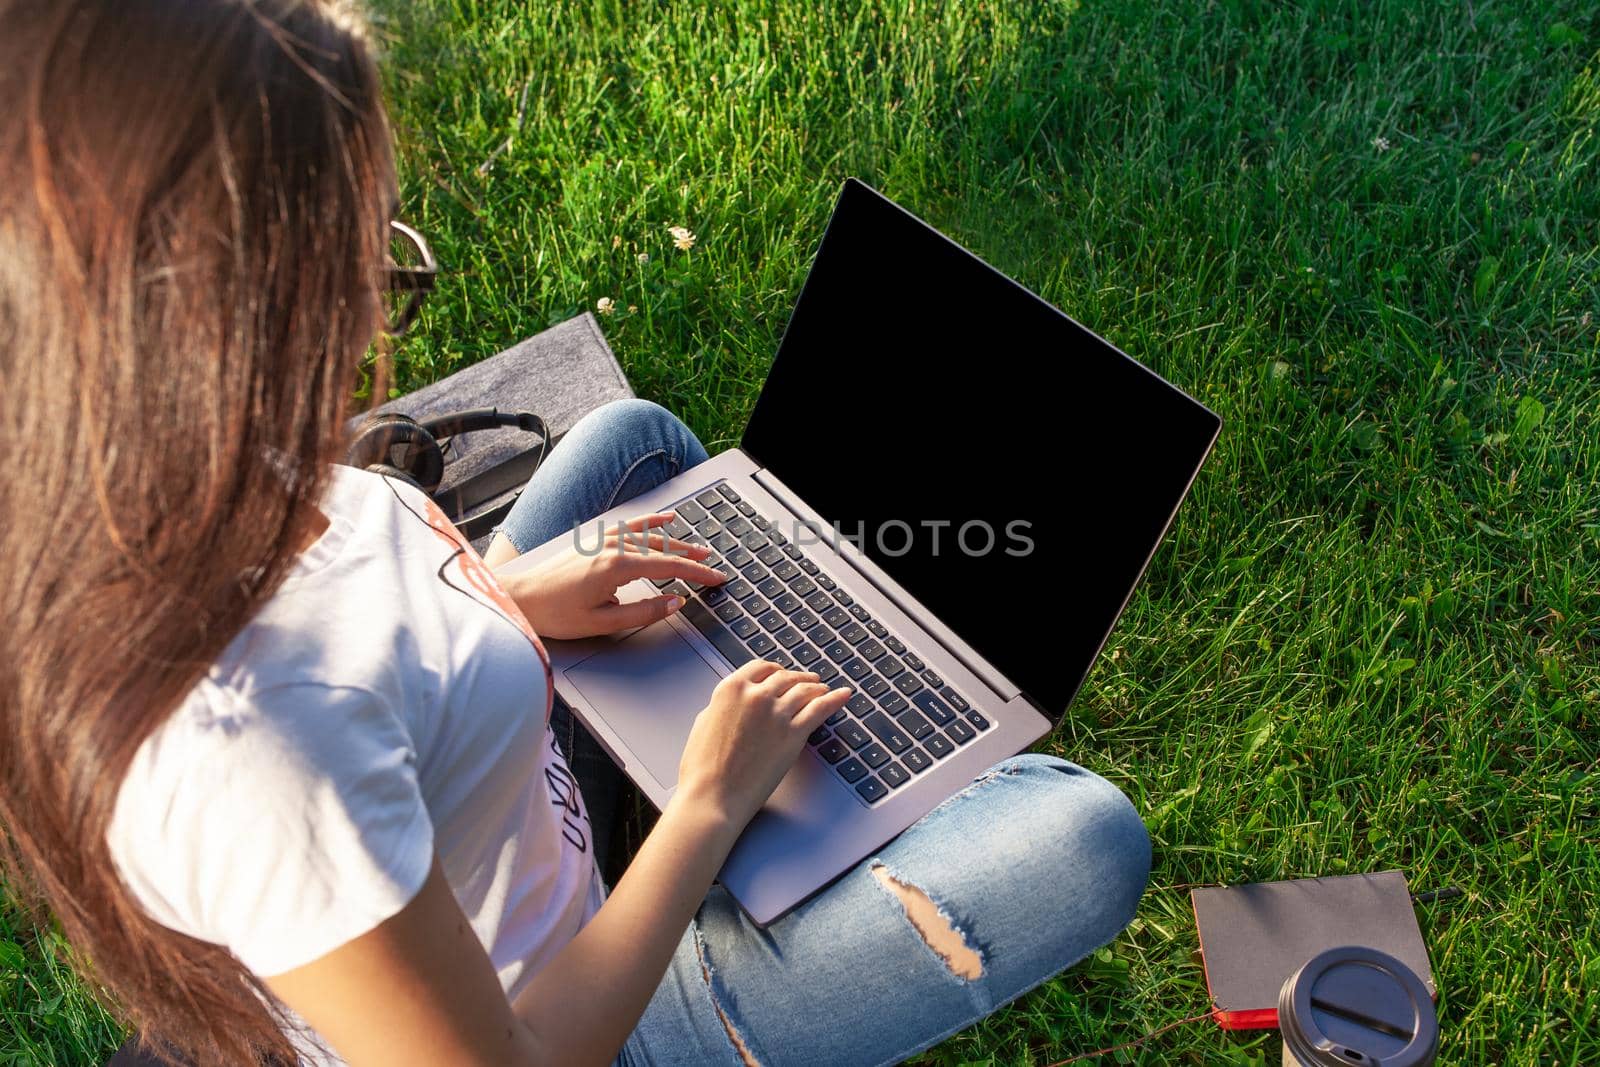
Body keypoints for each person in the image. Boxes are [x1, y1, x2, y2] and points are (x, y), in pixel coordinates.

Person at [0, 2, 1151, 1065]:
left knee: (630, 439)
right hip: (571, 1004)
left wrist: (507, 605)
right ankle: (763, 852)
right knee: (1080, 837)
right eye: (357, 262)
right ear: (202, 320)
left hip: (491, 813)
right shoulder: (253, 755)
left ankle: (745, 764)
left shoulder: (163, 466)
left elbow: (368, 625)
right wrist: (703, 806)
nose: (371, 305)